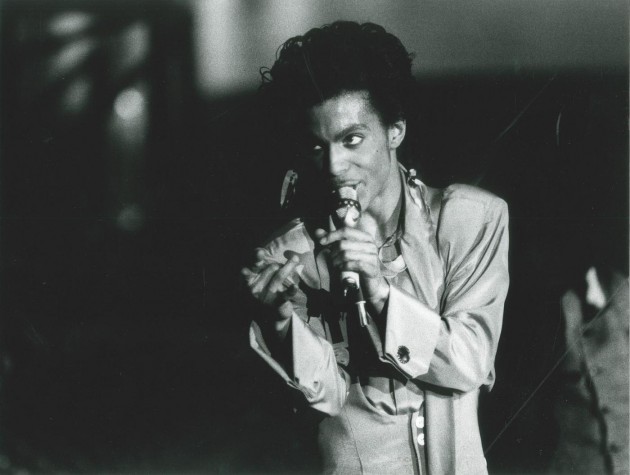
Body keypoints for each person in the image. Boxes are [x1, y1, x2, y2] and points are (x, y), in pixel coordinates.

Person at [241, 21, 509, 474]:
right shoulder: (289, 254)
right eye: (318, 147)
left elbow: (468, 362)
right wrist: (281, 323)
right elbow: (327, 394)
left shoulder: (471, 220)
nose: (334, 166)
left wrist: (381, 293)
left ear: (395, 130)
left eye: (352, 139)